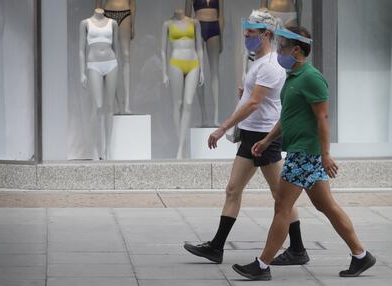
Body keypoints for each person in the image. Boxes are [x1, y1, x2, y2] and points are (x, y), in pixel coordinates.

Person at [232, 26, 376, 280]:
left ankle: (262, 265)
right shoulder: (292, 77)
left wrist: (326, 154)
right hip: (302, 152)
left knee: (282, 206)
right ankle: (361, 255)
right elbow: (287, 117)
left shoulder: (311, 78)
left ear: (296, 50)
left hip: (305, 154)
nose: (278, 52)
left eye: (283, 47)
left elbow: (323, 118)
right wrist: (267, 140)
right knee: (326, 206)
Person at [183, 10, 309, 265]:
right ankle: (217, 247)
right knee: (233, 190)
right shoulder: (259, 61)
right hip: (252, 135)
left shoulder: (271, 65)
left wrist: (222, 128)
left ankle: (298, 249)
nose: (246, 34)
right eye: (247, 28)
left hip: (265, 136)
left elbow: (254, 103)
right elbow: (252, 98)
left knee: (281, 197)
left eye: (251, 30)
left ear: (266, 34)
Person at [161, 9, 204, 159]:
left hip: (193, 64)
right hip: (175, 63)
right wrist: (164, 72)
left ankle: (181, 147)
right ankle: (181, 146)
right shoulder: (167, 24)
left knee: (188, 103)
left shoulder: (194, 23)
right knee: (177, 104)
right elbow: (162, 50)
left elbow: (199, 47)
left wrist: (202, 70)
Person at [79, 8, 119, 160]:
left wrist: (118, 65)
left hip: (111, 63)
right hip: (93, 64)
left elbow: (116, 48)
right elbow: (81, 50)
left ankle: (108, 148)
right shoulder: (85, 23)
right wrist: (82, 72)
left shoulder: (113, 23)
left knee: (109, 107)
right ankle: (95, 148)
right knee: (97, 106)